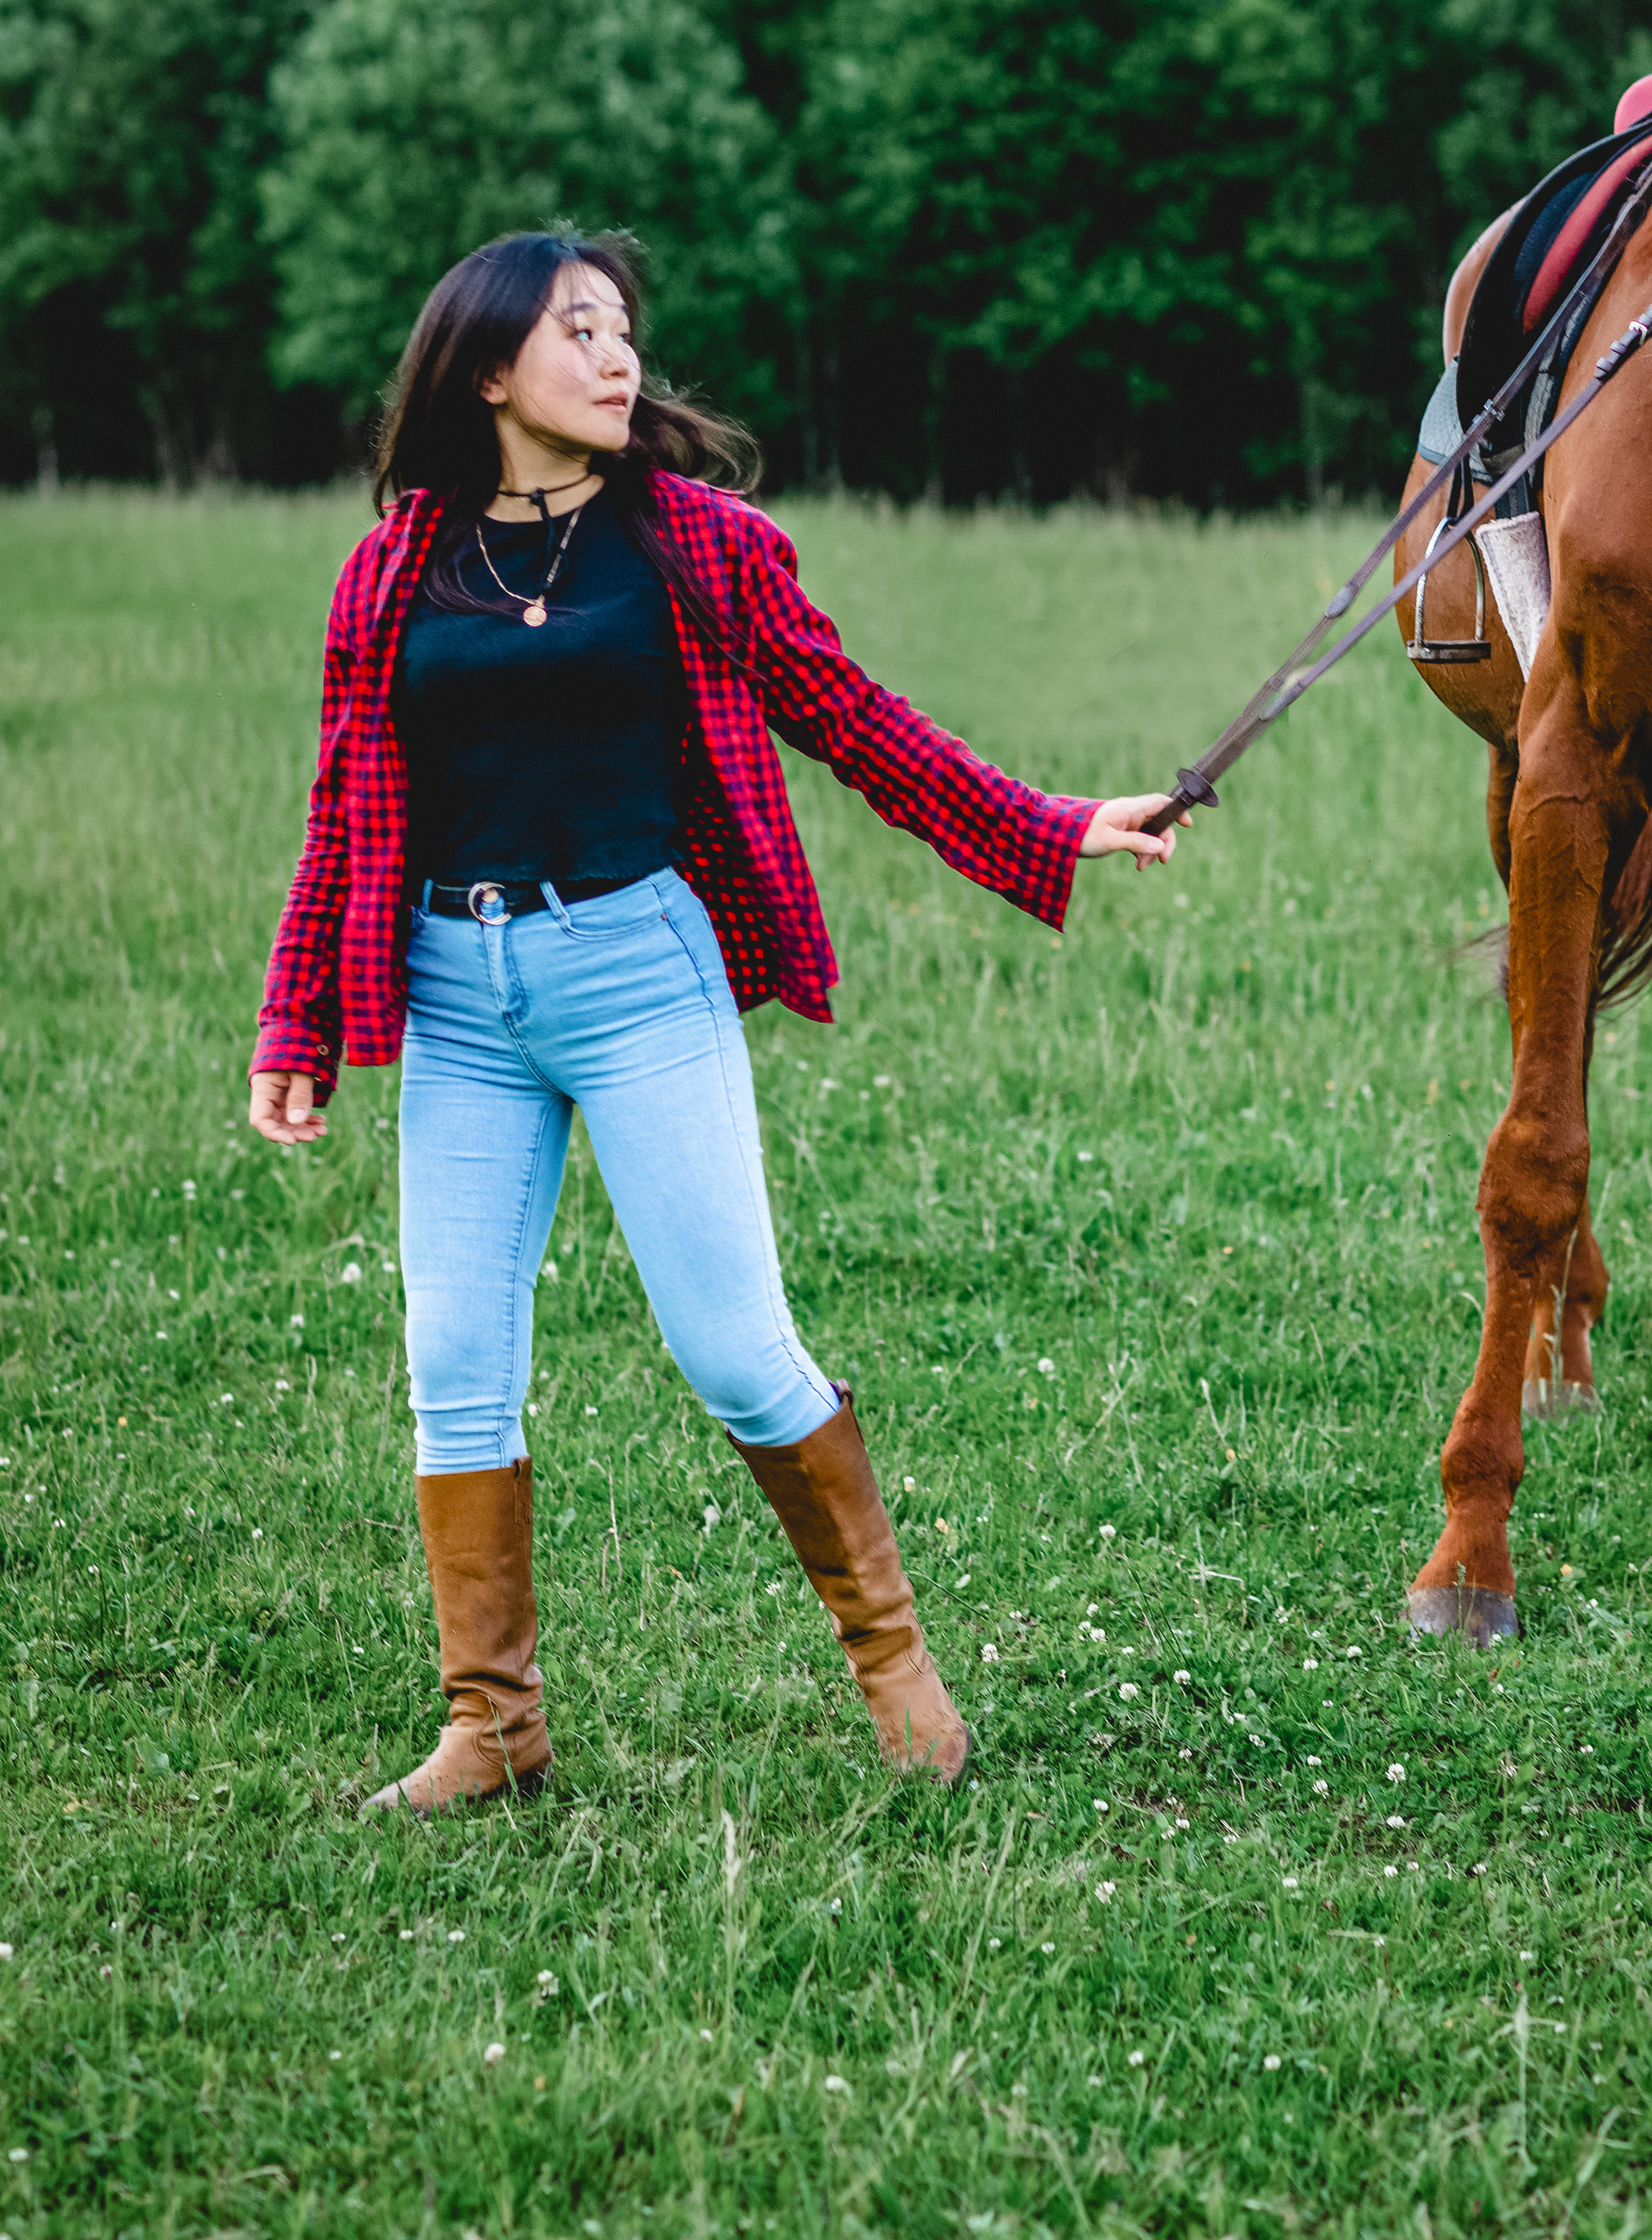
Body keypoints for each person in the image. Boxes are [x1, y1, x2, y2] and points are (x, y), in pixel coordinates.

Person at [247, 230, 1183, 1812]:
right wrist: (297, 1024)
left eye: (623, 331)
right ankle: (496, 1725)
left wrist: (1047, 824)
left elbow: (854, 720)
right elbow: (347, 802)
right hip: (456, 994)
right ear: (488, 371)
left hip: (636, 973)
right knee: (455, 1362)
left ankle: (892, 1661)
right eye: (577, 332)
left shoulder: (697, 545)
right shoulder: (394, 564)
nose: (618, 359)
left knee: (736, 1351)